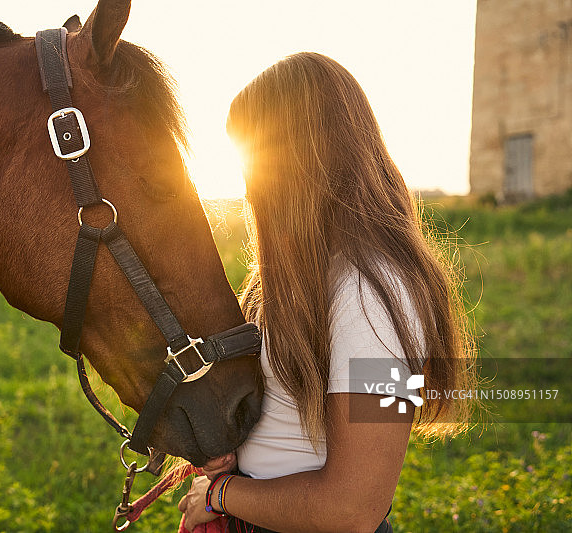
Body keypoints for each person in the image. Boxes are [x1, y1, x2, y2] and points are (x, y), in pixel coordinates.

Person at [177, 52, 476, 533]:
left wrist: (220, 495)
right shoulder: (295, 274)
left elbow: (353, 509)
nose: (248, 188)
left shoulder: (373, 296)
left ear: (297, 161)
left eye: (252, 164)